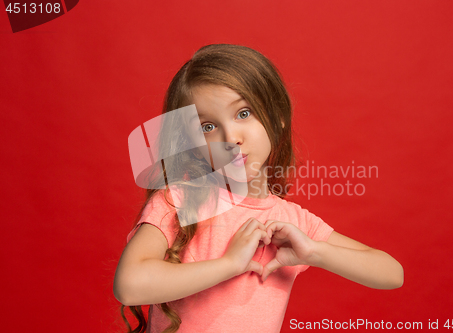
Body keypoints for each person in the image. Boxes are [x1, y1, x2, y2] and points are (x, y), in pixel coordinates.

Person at [113, 44, 404, 333]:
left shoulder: (293, 221)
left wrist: (314, 252)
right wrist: (229, 265)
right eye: (207, 127)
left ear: (278, 118)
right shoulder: (178, 201)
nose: (232, 137)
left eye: (243, 113)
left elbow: (392, 273)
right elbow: (129, 286)